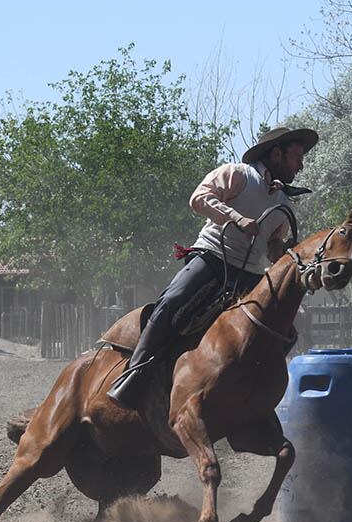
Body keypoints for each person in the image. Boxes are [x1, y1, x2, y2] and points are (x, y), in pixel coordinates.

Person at [107, 126, 319, 406]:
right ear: (276, 154)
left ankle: (251, 393)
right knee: (171, 302)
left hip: (252, 276)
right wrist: (237, 218)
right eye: (297, 156)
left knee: (288, 328)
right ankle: (134, 375)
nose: (301, 165)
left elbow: (272, 248)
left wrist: (290, 254)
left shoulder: (282, 202)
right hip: (212, 259)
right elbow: (200, 198)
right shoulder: (238, 174)